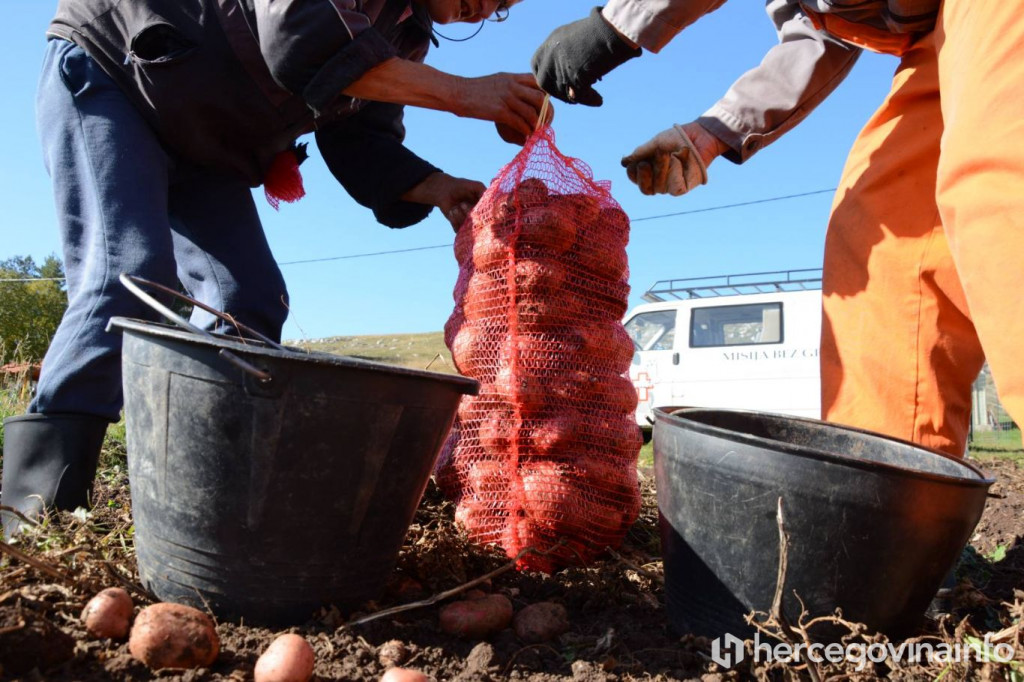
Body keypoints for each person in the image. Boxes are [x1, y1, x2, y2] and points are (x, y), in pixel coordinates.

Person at [0, 0, 547, 535]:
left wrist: (436, 187)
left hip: (206, 143)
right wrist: (462, 93)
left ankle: (195, 500)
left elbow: (358, 135)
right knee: (127, 274)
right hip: (116, 75)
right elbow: (299, 31)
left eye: (505, 7)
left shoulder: (404, 34)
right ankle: (36, 510)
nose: (490, 9)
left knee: (248, 300)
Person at [531, 1, 1024, 461]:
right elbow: (817, 36)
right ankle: (890, 517)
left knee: (998, 190)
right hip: (935, 40)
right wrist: (709, 134)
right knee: (881, 245)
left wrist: (617, 26)